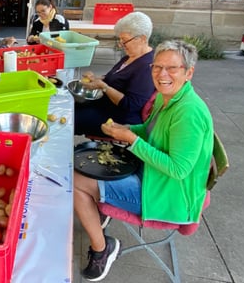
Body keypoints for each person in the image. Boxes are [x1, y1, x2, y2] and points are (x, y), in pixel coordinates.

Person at [74, 40, 214, 281]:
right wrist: (129, 129)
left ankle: (102, 249)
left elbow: (178, 170)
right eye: (157, 67)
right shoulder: (167, 96)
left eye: (172, 68)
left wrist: (131, 140)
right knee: (89, 161)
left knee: (75, 181)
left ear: (189, 72)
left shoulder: (188, 112)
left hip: (170, 196)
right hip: (151, 175)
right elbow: (150, 130)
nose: (162, 75)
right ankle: (102, 205)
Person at [74, 12, 155, 137]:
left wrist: (104, 87)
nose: (121, 44)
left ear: (142, 39)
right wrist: (95, 79)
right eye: (120, 39)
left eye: (125, 40)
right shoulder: (131, 56)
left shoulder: (146, 67)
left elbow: (131, 105)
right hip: (104, 106)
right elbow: (113, 78)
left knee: (71, 120)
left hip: (119, 119)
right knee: (69, 107)